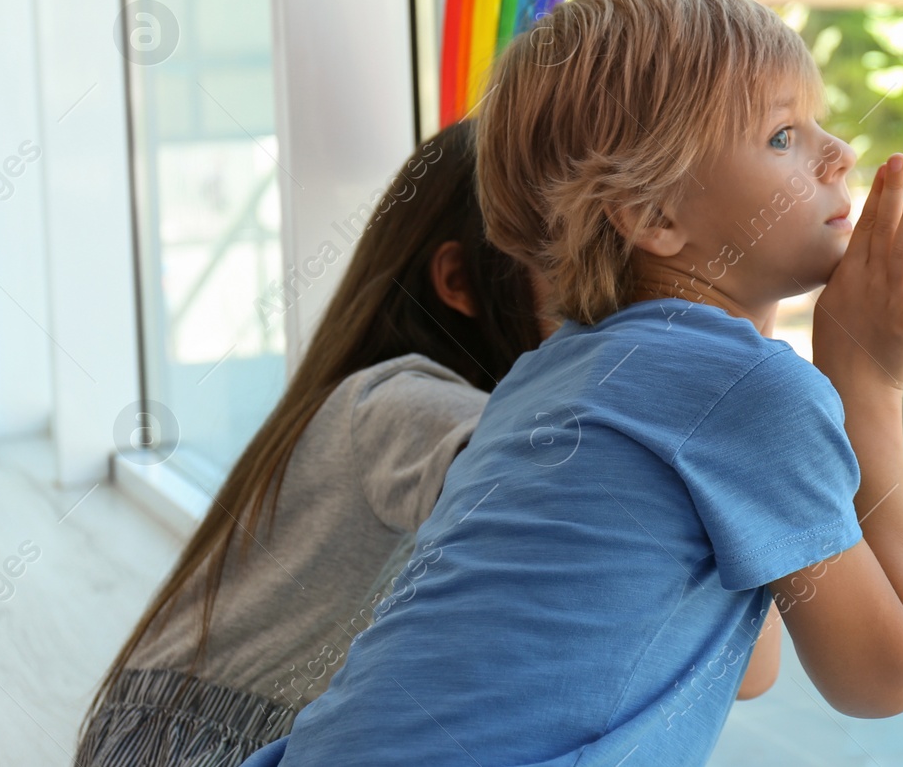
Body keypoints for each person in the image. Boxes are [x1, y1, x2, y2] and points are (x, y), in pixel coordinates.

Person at [242, 0, 903, 767]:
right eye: (784, 134)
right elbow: (885, 676)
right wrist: (869, 384)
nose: (838, 152)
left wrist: (753, 320)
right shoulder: (744, 394)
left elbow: (751, 663)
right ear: (654, 217)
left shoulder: (544, 376)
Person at [75, 119, 555, 767]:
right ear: (459, 281)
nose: (604, 281)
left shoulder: (369, 396)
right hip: (200, 746)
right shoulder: (402, 402)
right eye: (563, 248)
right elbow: (556, 492)